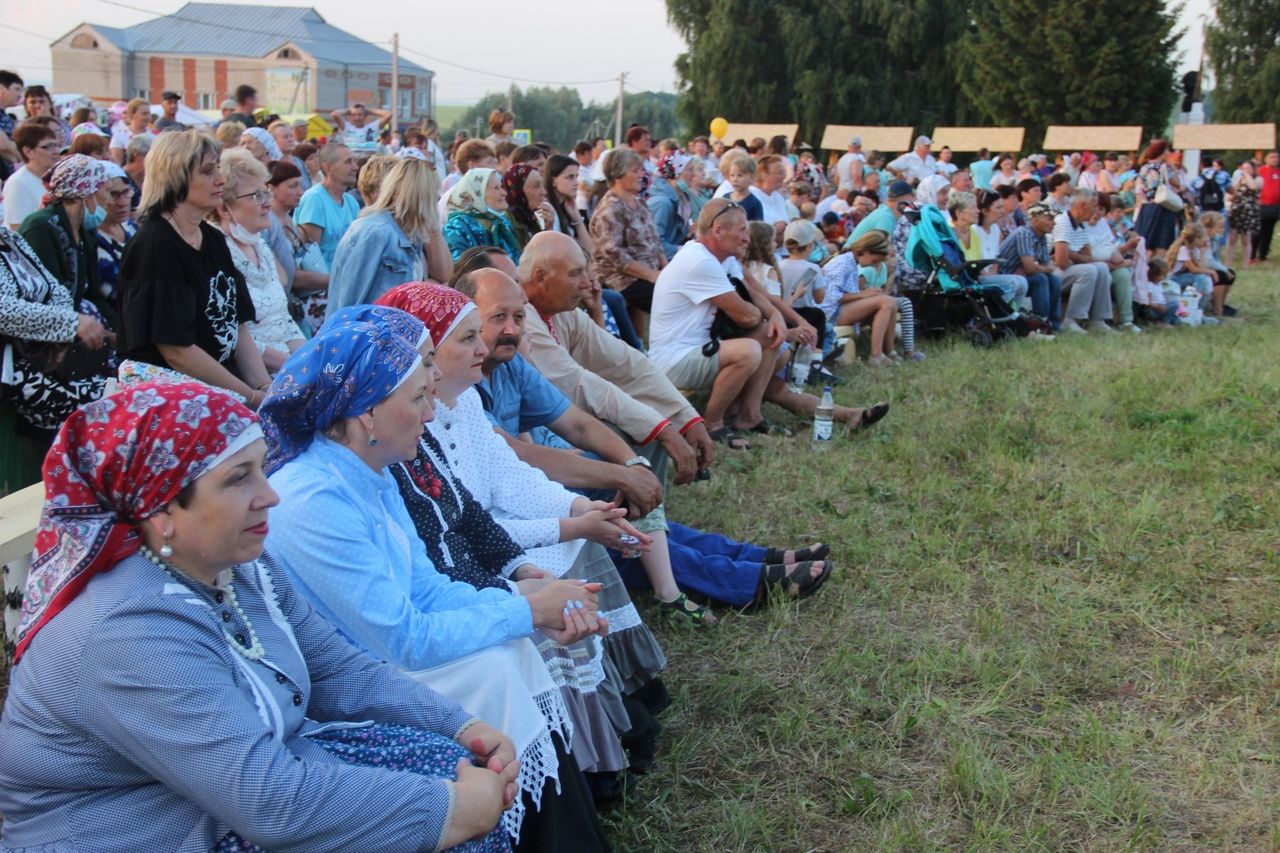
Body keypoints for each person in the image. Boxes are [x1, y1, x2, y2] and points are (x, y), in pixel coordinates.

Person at [0, 380, 514, 851]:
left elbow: (335, 667)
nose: (270, 496)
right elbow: (270, 804)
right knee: (451, 823)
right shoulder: (124, 630)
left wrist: (459, 724)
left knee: (453, 766)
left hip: (221, 797)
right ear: (160, 512)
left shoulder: (239, 566)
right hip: (137, 829)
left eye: (262, 469)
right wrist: (451, 809)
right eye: (238, 480)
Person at [261, 310, 612, 849]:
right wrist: (524, 609)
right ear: (366, 414)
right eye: (418, 399)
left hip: (389, 650)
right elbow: (399, 637)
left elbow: (426, 588)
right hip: (351, 680)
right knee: (495, 663)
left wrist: (528, 599)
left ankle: (559, 829)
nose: (430, 416)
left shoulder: (368, 472)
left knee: (509, 649)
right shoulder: (313, 499)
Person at [117, 130, 273, 405]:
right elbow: (177, 352)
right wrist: (250, 397)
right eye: (207, 171)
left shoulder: (211, 237)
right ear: (174, 177)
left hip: (219, 384)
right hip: (170, 394)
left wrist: (265, 387)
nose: (220, 180)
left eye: (218, 169)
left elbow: (237, 328)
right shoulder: (156, 246)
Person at [648, 198, 784, 447]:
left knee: (771, 335)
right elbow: (747, 316)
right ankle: (712, 424)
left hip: (699, 348)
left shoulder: (722, 257)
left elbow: (753, 291)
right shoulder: (699, 261)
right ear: (718, 230)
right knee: (749, 350)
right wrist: (762, 314)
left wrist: (775, 316)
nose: (747, 238)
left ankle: (749, 415)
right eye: (742, 230)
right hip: (673, 359)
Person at [0, 227, 110, 490]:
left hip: (43, 357)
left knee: (113, 391)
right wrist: (69, 323)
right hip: (14, 369)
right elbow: (3, 310)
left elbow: (55, 289)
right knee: (101, 409)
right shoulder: (38, 225)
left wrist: (64, 327)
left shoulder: (10, 238)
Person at [213, 148, 304, 371]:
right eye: (257, 196)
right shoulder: (216, 252)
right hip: (252, 379)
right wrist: (299, 366)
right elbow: (233, 339)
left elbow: (284, 321)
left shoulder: (260, 245)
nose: (267, 203)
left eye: (266, 193)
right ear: (225, 209)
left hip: (289, 369)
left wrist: (311, 358)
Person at [328, 157, 450, 315]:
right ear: (420, 196)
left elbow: (443, 274)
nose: (437, 199)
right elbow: (349, 303)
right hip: (367, 335)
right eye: (433, 194)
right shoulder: (376, 233)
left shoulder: (410, 235)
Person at [19, 155, 116, 329]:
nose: (110, 201)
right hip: (49, 332)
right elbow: (46, 298)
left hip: (74, 326)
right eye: (108, 191)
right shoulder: (41, 228)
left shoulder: (85, 234)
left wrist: (120, 333)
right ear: (85, 192)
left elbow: (94, 294)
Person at [589, 149, 667, 330]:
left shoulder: (639, 202)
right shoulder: (610, 210)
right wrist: (652, 275)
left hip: (647, 273)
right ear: (618, 175)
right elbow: (616, 255)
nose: (642, 174)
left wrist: (666, 269)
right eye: (635, 171)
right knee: (671, 301)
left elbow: (655, 242)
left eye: (641, 170)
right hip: (621, 278)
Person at [266, 159, 329, 335]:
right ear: (271, 188)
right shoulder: (269, 225)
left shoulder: (288, 220)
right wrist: (335, 280)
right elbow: (291, 275)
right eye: (292, 186)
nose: (300, 192)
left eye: (300, 185)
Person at [818, 231, 901, 364]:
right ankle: (876, 355)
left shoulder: (851, 262)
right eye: (874, 260)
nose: (873, 265)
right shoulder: (842, 263)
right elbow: (832, 297)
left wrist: (865, 293)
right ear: (866, 251)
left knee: (890, 302)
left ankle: (889, 351)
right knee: (885, 302)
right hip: (831, 313)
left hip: (840, 309)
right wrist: (863, 294)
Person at [951, 190, 1029, 311]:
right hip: (969, 279)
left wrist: (992, 276)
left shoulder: (975, 233)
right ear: (959, 213)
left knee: (1022, 282)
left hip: (979, 276)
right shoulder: (955, 233)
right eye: (973, 208)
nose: (977, 211)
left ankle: (1010, 316)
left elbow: (991, 261)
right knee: (1012, 283)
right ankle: (1001, 315)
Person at [1052, 188, 1114, 334]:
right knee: (1089, 270)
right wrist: (1075, 256)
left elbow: (1088, 256)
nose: (1095, 211)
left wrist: (1072, 255)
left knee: (1101, 268)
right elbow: (1061, 262)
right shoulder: (1063, 222)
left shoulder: (1081, 224)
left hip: (1067, 269)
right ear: (1082, 206)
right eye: (1093, 206)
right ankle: (1070, 320)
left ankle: (1098, 320)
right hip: (1052, 271)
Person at [997, 202, 1063, 329]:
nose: (1053, 223)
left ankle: (1054, 325)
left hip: (1022, 276)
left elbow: (1046, 266)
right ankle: (1039, 323)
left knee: (1054, 280)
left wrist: (1041, 267)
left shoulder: (1042, 237)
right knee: (1040, 278)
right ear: (1034, 219)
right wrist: (1042, 268)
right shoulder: (1024, 233)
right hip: (1006, 277)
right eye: (1049, 219)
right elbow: (1031, 268)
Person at [295, 142, 359, 270]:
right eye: (348, 162)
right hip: (324, 286)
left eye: (354, 161)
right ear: (328, 168)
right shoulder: (314, 200)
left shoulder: (351, 202)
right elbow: (310, 259)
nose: (355, 167)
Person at [442, 167, 523, 262]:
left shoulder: (503, 223)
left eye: (501, 187)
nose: (504, 193)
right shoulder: (456, 227)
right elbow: (461, 268)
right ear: (478, 193)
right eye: (496, 188)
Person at [94, 160, 136, 322]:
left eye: (126, 192)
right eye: (114, 194)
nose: (123, 202)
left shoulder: (129, 227)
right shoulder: (93, 240)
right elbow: (117, 291)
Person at [1133, 139, 1185, 254]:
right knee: (1161, 244)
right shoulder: (1164, 168)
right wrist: (1173, 167)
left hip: (1147, 207)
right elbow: (1177, 183)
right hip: (1163, 206)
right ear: (1162, 152)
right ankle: (1158, 269)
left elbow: (1139, 189)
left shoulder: (1144, 168)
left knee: (1146, 243)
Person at [3, 122, 59, 230]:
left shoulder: (55, 178)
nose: (56, 151)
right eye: (48, 147)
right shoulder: (18, 183)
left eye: (56, 145)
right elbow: (17, 229)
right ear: (28, 152)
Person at [647, 151, 694, 259]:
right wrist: (684, 251)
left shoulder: (681, 199)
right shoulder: (662, 203)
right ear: (675, 174)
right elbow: (655, 245)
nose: (693, 174)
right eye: (689, 169)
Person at [502, 163, 554, 251]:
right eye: (536, 186)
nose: (544, 192)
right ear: (518, 190)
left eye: (542, 185)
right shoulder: (506, 224)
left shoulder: (531, 219)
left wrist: (547, 230)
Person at [1228, 159, 1261, 269]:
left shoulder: (1258, 179)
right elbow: (1233, 191)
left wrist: (1247, 175)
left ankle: (1245, 265)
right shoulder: (1239, 179)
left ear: (1253, 169)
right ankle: (1228, 263)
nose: (1245, 170)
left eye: (1248, 168)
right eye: (1243, 168)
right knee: (1232, 238)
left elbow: (1253, 187)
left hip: (1249, 211)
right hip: (1237, 209)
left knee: (1246, 239)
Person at [109, 98, 154, 166]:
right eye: (144, 114)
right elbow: (117, 163)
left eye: (149, 114)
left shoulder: (154, 135)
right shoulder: (120, 135)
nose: (148, 117)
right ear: (132, 114)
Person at [1255, 150, 1280, 262]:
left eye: (1276, 157)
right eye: (1272, 157)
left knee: (1269, 231)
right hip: (1261, 206)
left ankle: (1263, 255)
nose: (1274, 159)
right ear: (1266, 159)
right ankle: (1252, 255)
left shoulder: (1278, 172)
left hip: (1275, 207)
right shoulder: (1260, 171)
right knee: (1258, 231)